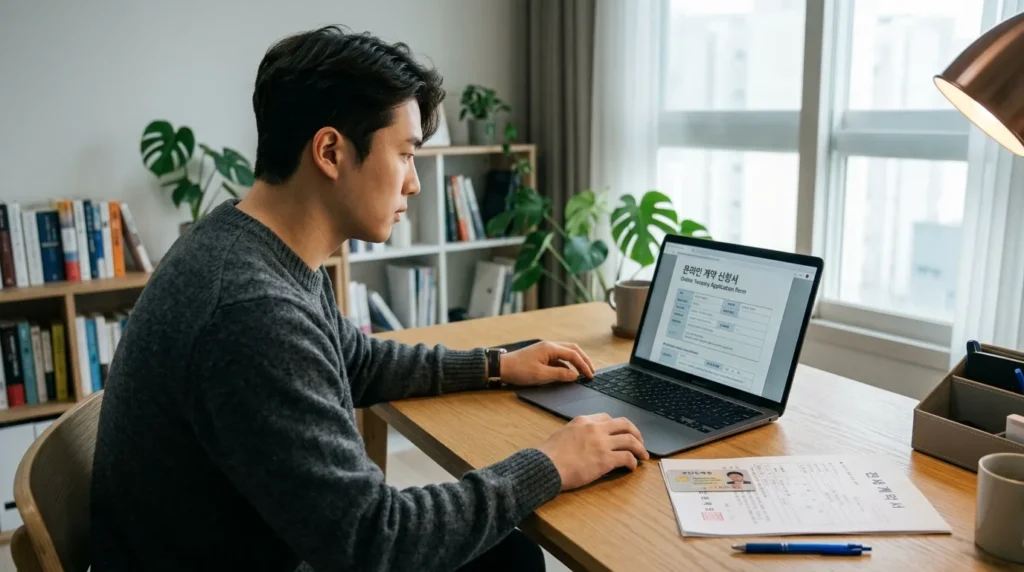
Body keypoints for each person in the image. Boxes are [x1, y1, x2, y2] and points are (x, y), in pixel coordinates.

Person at [90, 26, 649, 572]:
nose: (415, 183)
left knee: (508, 554)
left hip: (244, 540)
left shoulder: (245, 242)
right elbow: (375, 542)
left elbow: (355, 360)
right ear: (330, 151)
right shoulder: (252, 312)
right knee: (512, 558)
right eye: (405, 154)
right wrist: (551, 463)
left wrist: (497, 365)